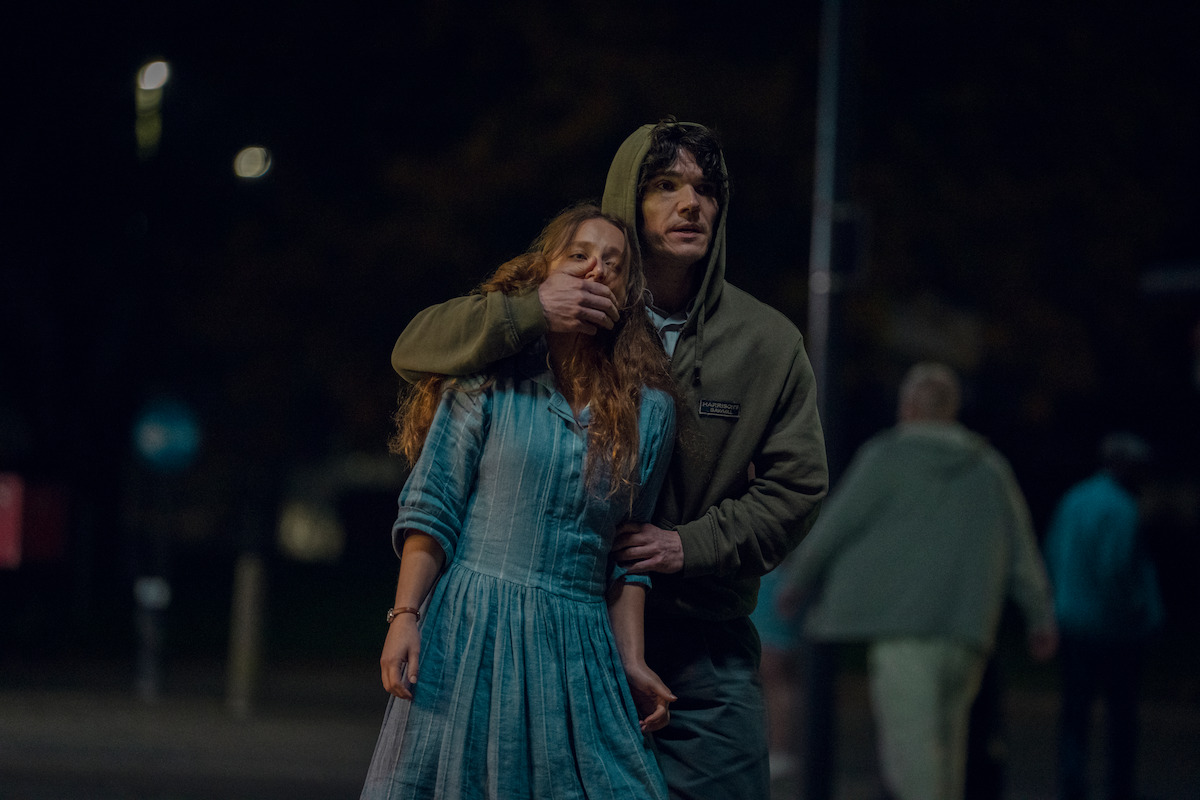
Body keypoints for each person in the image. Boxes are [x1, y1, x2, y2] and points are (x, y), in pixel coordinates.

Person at [389, 119, 829, 799]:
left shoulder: (766, 342)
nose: (691, 203)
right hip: (567, 641)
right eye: (666, 186)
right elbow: (417, 349)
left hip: (698, 639)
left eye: (707, 190)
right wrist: (534, 309)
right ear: (627, 201)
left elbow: (797, 486)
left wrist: (692, 544)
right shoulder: (577, 313)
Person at [360, 204, 679, 799]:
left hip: (578, 644)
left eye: (613, 264)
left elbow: (628, 552)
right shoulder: (486, 381)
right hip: (473, 628)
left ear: (627, 295)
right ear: (547, 273)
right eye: (579, 255)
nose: (595, 271)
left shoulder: (649, 412)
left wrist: (631, 659)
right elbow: (434, 508)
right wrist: (404, 617)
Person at [777, 362, 1058, 800]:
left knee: (912, 757)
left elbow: (837, 525)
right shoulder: (989, 466)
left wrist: (797, 580)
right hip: (969, 630)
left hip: (902, 630)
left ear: (907, 406)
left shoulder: (886, 456)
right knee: (949, 750)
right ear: (953, 409)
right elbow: (1021, 549)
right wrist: (1040, 616)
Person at [1043, 432, 1164, 800]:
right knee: (1121, 715)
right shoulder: (1122, 508)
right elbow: (1117, 570)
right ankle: (1119, 786)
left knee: (1075, 711)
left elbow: (1052, 549)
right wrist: (1139, 609)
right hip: (1113, 629)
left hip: (1073, 619)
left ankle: (1072, 782)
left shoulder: (1075, 497)